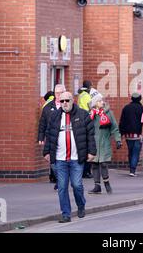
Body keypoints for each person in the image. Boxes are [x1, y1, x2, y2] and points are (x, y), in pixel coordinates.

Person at [43, 91, 96, 223]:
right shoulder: (55, 116)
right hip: (60, 159)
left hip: (76, 158)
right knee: (62, 187)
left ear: (73, 101)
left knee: (77, 185)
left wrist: (92, 152)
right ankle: (66, 213)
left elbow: (90, 135)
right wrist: (47, 152)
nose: (65, 103)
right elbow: (49, 134)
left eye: (67, 100)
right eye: (62, 101)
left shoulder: (83, 115)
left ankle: (81, 205)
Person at [88, 94, 121, 194]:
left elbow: (114, 128)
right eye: (99, 101)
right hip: (93, 143)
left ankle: (106, 183)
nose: (102, 102)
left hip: (104, 142)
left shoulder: (108, 113)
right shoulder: (91, 114)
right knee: (94, 164)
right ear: (95, 104)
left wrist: (118, 139)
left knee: (103, 164)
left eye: (102, 100)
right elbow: (86, 128)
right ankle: (97, 186)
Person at [38, 84, 66, 188]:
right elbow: (42, 123)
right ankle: (60, 178)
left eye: (61, 93)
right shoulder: (48, 107)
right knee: (50, 159)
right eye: (57, 93)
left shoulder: (69, 106)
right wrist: (40, 137)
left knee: (62, 159)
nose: (58, 95)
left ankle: (61, 180)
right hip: (51, 138)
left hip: (64, 138)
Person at [119, 93, 143, 177]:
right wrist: (142, 133)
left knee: (130, 151)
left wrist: (121, 133)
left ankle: (131, 168)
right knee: (136, 152)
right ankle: (132, 170)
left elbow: (122, 121)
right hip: (138, 134)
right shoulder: (142, 109)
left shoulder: (126, 108)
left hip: (128, 134)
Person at [78, 80, 94, 179]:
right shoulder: (87, 96)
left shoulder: (80, 95)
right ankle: (87, 171)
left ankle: (83, 171)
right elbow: (90, 106)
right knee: (89, 146)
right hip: (87, 118)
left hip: (81, 118)